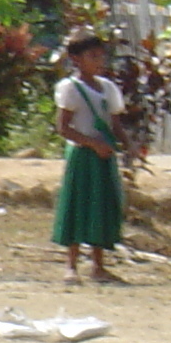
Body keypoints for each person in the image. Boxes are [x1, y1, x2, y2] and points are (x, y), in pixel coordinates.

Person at [53, 30, 127, 285]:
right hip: (82, 156)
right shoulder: (70, 89)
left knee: (101, 207)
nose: (99, 61)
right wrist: (92, 143)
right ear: (76, 59)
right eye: (92, 56)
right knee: (77, 207)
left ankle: (98, 265)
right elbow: (63, 128)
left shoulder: (108, 89)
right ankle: (71, 266)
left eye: (101, 56)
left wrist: (128, 145)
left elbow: (115, 123)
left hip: (104, 156)